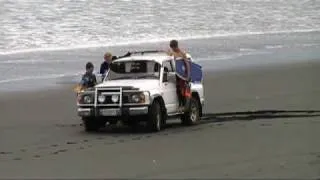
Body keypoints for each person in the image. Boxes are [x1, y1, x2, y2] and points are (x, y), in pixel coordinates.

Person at [167, 40, 191, 112]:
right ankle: (180, 104)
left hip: (182, 75)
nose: (172, 49)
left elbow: (187, 65)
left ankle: (183, 105)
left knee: (181, 90)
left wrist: (188, 75)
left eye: (173, 47)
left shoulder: (182, 54)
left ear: (176, 46)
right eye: (171, 48)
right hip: (175, 75)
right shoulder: (171, 53)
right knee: (178, 89)